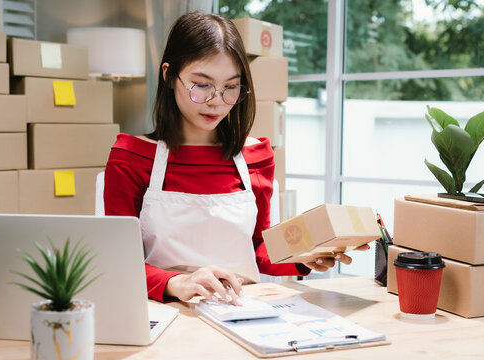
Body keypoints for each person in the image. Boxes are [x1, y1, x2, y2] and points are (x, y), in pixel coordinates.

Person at [104, 11, 369, 304]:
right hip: (169, 311)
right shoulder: (131, 157)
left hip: (242, 309)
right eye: (202, 85)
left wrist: (304, 257)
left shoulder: (256, 156)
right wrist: (177, 283)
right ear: (168, 75)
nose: (217, 100)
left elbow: (259, 248)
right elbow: (118, 262)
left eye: (231, 87)